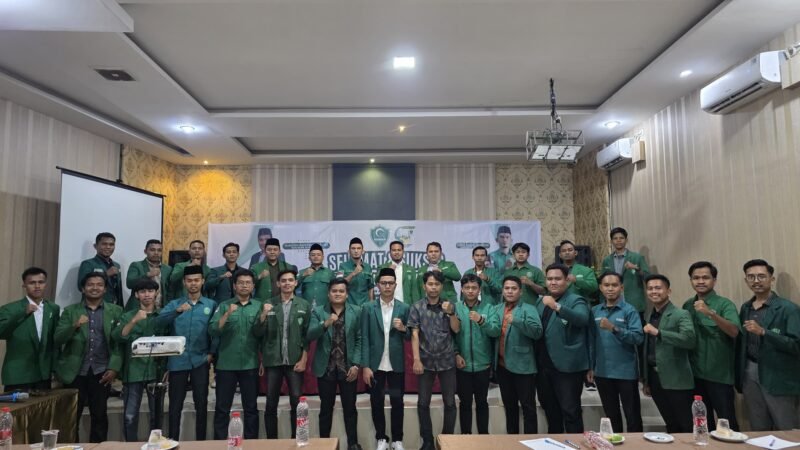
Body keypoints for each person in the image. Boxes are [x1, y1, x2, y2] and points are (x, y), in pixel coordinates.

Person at [55, 272, 124, 443]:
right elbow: (57, 339)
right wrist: (74, 326)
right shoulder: (71, 311)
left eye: (99, 285)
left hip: (102, 371)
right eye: (90, 284)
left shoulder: (115, 311)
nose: (95, 288)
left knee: (99, 416)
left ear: (105, 289)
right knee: (71, 417)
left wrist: (114, 367)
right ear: (83, 288)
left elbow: (118, 343)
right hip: (75, 372)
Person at [736, 259, 800, 431]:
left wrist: (764, 332)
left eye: (761, 276)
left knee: (786, 427)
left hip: (778, 373)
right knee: (758, 426)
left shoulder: (788, 309)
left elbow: (796, 345)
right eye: (751, 277)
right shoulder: (746, 308)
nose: (756, 281)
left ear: (772, 279)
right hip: (750, 371)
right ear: (746, 280)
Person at [154, 264, 217, 440]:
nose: (193, 284)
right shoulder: (175, 304)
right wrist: (176, 311)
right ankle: (172, 441)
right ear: (184, 282)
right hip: (177, 361)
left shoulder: (211, 305)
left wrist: (211, 353)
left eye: (196, 280)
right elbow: (158, 322)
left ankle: (201, 442)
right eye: (189, 281)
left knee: (201, 404)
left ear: (203, 281)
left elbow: (216, 332)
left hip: (200, 360)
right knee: (175, 405)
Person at [682, 261, 740, 431]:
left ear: (714, 280)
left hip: (719, 375)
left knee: (727, 424)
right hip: (694, 374)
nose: (700, 281)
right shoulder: (687, 305)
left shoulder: (724, 304)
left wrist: (710, 314)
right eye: (696, 278)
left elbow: (734, 331)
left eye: (705, 277)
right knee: (702, 424)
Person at [254, 269, 310, 439]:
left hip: (294, 360)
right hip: (273, 361)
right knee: (271, 402)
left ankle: (298, 439)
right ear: (278, 284)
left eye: (290, 280)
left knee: (297, 401)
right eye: (283, 280)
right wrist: (263, 314)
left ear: (295, 283)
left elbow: (307, 335)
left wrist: (304, 358)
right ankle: (272, 442)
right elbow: (257, 332)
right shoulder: (268, 303)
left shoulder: (303, 305)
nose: (287, 283)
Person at [307, 278, 363, 450]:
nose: (337, 294)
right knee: (325, 409)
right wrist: (325, 323)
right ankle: (324, 444)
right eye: (334, 291)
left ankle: (353, 444)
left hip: (348, 369)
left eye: (341, 291)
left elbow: (360, 339)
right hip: (326, 369)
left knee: (350, 408)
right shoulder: (318, 311)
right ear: (328, 293)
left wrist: (356, 365)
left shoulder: (356, 311)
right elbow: (310, 335)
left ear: (347, 294)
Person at [535, 263, 591, 433]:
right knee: (550, 411)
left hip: (567, 367)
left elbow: (582, 319)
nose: (553, 282)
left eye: (558, 279)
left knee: (570, 411)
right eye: (549, 279)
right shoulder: (540, 301)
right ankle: (555, 442)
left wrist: (556, 306)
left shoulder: (576, 300)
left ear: (567, 280)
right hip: (543, 366)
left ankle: (575, 444)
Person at [408, 271, 460, 450]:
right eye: (430, 284)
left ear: (442, 286)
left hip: (447, 361)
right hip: (425, 361)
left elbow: (456, 329)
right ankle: (428, 441)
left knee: (450, 403)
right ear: (424, 286)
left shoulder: (449, 305)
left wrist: (451, 313)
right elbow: (414, 334)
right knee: (423, 403)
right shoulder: (416, 307)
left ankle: (446, 440)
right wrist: (416, 360)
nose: (433, 287)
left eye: (437, 284)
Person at [587, 271, 644, 433]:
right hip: (602, 371)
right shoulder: (595, 311)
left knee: (632, 416)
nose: (610, 289)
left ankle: (635, 444)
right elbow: (591, 341)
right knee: (611, 415)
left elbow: (638, 337)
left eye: (614, 285)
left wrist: (614, 328)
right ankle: (615, 442)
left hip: (626, 372)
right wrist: (591, 366)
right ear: (600, 287)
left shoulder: (629, 310)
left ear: (622, 288)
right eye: (606, 285)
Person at [208, 269, 262, 440]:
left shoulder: (259, 306)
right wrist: (227, 314)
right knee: (222, 408)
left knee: (251, 407)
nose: (244, 286)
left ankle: (251, 442)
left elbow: (263, 334)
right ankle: (220, 443)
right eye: (241, 283)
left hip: (250, 363)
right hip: (226, 364)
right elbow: (213, 330)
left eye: (248, 283)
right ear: (234, 286)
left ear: (253, 286)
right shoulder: (224, 305)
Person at [362, 268, 410, 450]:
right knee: (376, 402)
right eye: (384, 283)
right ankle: (381, 438)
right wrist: (365, 366)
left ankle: (397, 440)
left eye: (390, 283)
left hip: (396, 364)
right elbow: (364, 337)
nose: (387, 286)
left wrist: (403, 329)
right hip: (376, 365)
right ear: (378, 285)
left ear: (396, 285)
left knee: (397, 401)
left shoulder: (404, 308)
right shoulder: (368, 308)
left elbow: (410, 336)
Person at [113, 278, 165, 442]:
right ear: (136, 295)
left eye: (150, 291)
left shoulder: (162, 315)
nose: (147, 295)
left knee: (156, 416)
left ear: (156, 293)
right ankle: (131, 445)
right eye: (142, 292)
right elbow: (117, 336)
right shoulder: (128, 315)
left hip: (155, 371)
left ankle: (155, 445)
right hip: (133, 371)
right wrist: (134, 320)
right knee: (130, 416)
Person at [642, 274, 695, 434]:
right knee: (670, 423)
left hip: (676, 377)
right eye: (650, 288)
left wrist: (659, 333)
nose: (654, 291)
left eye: (658, 288)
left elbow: (689, 340)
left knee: (685, 424)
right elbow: (648, 348)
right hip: (654, 378)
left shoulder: (681, 314)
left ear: (668, 291)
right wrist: (646, 380)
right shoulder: (650, 315)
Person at [493, 275, 542, 434]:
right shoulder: (497, 309)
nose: (510, 291)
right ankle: (512, 440)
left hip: (523, 366)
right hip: (502, 366)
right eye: (507, 288)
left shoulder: (529, 308)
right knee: (509, 407)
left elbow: (537, 332)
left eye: (514, 288)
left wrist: (517, 321)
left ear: (520, 292)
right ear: (502, 291)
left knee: (528, 408)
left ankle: (530, 442)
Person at [0, 267, 60, 392]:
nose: (37, 286)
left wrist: (55, 369)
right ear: (24, 285)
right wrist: (23, 312)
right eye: (32, 283)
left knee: (44, 406)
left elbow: (55, 341)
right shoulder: (9, 309)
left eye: (41, 282)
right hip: (18, 374)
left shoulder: (53, 308)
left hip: (43, 374)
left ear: (45, 284)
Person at [454, 274, 500, 434]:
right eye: (467, 287)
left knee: (482, 402)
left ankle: (483, 437)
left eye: (474, 288)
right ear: (462, 289)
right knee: (465, 403)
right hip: (463, 365)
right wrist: (456, 353)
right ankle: (466, 436)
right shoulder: (456, 308)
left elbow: (495, 331)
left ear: (479, 289)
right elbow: (450, 335)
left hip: (483, 364)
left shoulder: (489, 308)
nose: (470, 291)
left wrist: (481, 321)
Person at [601, 228, 649, 315]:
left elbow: (648, 278)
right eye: (615, 238)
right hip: (613, 303)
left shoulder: (637, 257)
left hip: (633, 302)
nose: (618, 240)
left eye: (621, 238)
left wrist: (637, 269)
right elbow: (602, 281)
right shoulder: (606, 260)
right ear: (611, 241)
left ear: (626, 240)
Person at [78, 232, 123, 307]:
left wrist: (121, 308)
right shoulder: (87, 264)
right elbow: (81, 286)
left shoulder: (116, 265)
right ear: (95, 246)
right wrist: (105, 274)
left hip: (113, 308)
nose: (108, 247)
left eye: (111, 244)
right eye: (104, 244)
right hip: (93, 307)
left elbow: (118, 291)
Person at [125, 239, 172, 312]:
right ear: (145, 251)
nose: (156, 253)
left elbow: (170, 290)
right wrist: (147, 275)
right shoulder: (136, 265)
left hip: (161, 310)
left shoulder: (167, 269)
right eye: (152, 250)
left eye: (159, 250)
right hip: (139, 309)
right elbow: (129, 283)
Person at [375, 240, 417, 305]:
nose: (396, 252)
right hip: (387, 304)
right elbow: (376, 281)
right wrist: (388, 270)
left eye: (399, 250)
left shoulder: (411, 269)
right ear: (390, 252)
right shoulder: (382, 267)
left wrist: (415, 306)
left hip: (406, 305)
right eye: (394, 250)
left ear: (403, 252)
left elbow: (414, 290)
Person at [297, 243, 335, 307]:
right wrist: (303, 275)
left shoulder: (330, 273)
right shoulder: (302, 272)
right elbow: (293, 286)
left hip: (325, 308)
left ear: (323, 257)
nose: (316, 257)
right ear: (309, 257)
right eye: (313, 255)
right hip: (306, 308)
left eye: (318, 255)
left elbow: (335, 290)